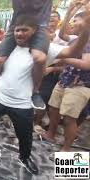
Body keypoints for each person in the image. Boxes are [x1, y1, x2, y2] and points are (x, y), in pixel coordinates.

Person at [0, 13, 90, 174]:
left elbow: (72, 50)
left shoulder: (44, 50)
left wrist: (86, 31)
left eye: (24, 30)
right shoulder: (6, 46)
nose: (19, 33)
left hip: (22, 104)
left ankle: (24, 157)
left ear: (34, 30)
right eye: (17, 30)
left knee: (25, 136)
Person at [42, 9, 90, 152]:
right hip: (64, 81)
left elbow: (87, 64)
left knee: (69, 118)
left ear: (86, 21)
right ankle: (50, 134)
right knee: (53, 109)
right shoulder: (76, 40)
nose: (72, 23)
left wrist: (61, 58)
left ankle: (66, 149)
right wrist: (70, 11)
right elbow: (62, 34)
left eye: (76, 20)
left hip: (78, 85)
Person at [0, 0, 53, 110]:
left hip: (40, 25)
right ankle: (1, 81)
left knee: (39, 58)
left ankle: (35, 91)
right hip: (17, 24)